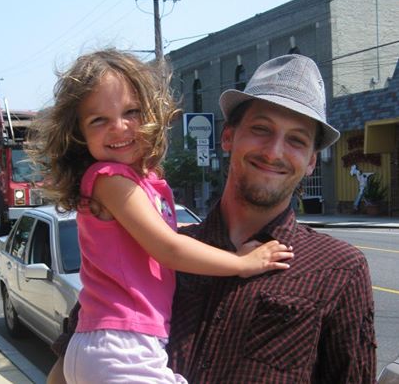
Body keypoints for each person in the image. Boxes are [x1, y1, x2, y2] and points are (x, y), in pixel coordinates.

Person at [48, 54, 377, 383]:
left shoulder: (340, 270)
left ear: (311, 162)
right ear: (228, 137)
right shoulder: (152, 248)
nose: (274, 151)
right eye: (261, 129)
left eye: (296, 140)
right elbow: (62, 376)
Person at [28, 48, 293, 384]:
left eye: (131, 112)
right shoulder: (110, 178)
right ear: (79, 133)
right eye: (99, 120)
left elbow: (154, 236)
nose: (119, 127)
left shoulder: (141, 182)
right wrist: (243, 262)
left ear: (152, 113)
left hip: (112, 345)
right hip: (121, 346)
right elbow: (167, 248)